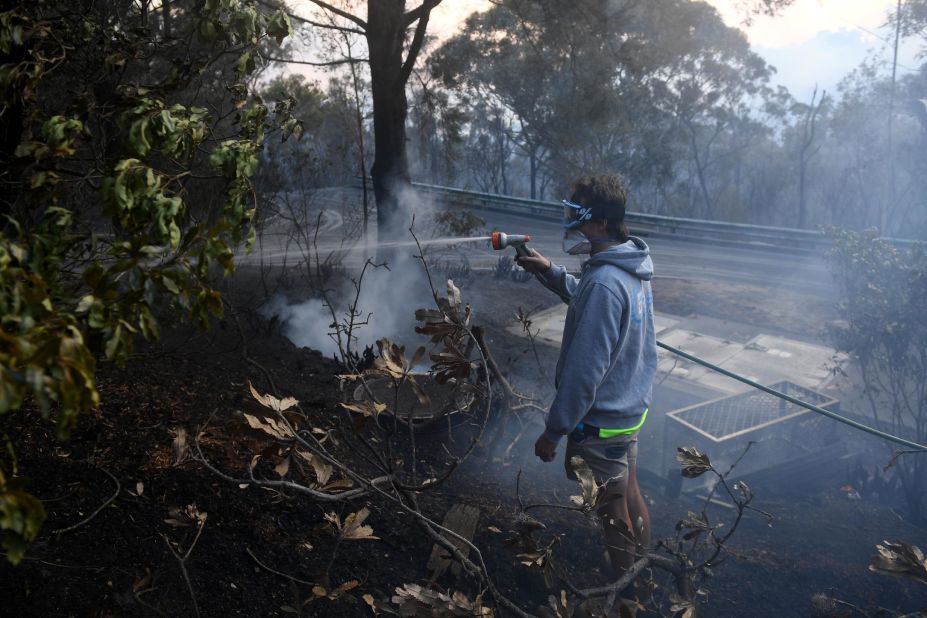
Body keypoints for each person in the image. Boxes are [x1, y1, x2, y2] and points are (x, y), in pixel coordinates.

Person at [515, 173, 656, 579]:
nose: (571, 219)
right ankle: (641, 568)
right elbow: (595, 298)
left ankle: (626, 591)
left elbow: (582, 373)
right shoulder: (630, 263)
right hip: (629, 411)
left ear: (600, 223)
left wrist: (553, 433)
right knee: (630, 493)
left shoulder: (604, 283)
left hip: (602, 421)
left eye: (578, 213)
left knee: (612, 512)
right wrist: (549, 271)